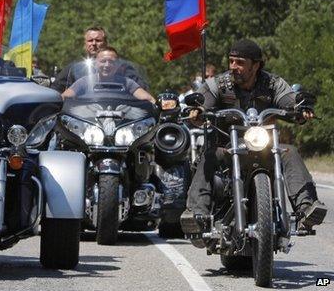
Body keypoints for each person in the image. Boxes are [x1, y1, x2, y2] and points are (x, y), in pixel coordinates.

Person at [180, 39, 327, 240]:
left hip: (263, 146)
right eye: (231, 61)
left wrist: (300, 109)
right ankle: (197, 213)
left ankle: (306, 208)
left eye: (240, 62)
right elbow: (203, 102)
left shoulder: (273, 84)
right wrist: (198, 111)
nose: (234, 67)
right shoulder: (219, 85)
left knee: (289, 151)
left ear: (255, 65)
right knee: (209, 155)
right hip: (228, 147)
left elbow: (289, 101)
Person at [52, 26, 148, 93]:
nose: (94, 43)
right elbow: (56, 90)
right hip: (82, 115)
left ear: (105, 43)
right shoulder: (74, 68)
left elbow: (141, 89)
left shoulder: (121, 66)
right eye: (90, 40)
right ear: (85, 44)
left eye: (98, 40)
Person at [62, 46, 155, 103]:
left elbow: (149, 99)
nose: (107, 65)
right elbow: (63, 97)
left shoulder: (127, 83)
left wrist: (159, 106)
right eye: (103, 61)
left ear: (118, 65)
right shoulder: (84, 82)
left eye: (111, 62)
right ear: (96, 64)